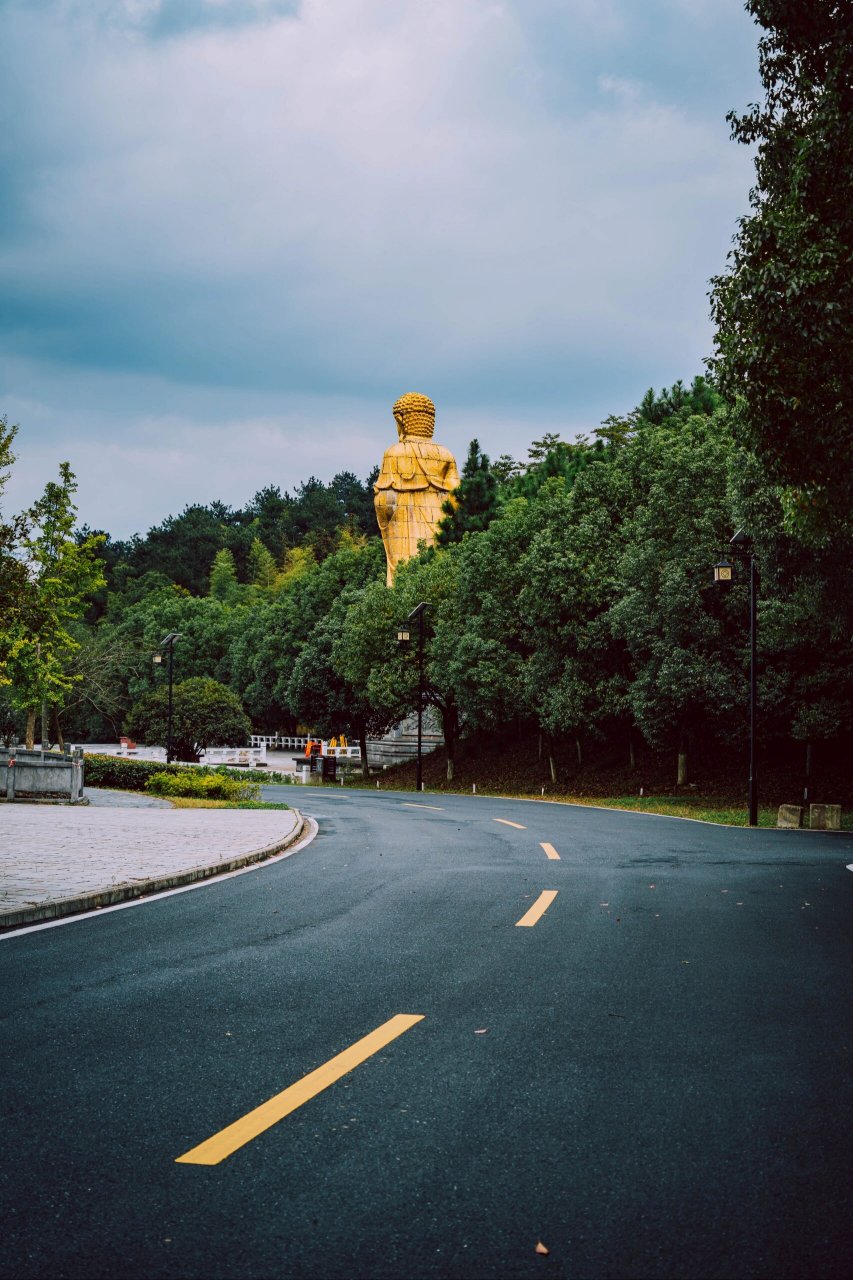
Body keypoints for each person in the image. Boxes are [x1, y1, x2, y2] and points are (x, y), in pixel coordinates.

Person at [374, 392, 460, 586]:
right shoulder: (445, 455)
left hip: (403, 532)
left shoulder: (394, 453)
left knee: (403, 581)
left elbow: (385, 501)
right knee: (439, 579)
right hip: (439, 530)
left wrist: (384, 517)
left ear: (400, 419)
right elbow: (458, 499)